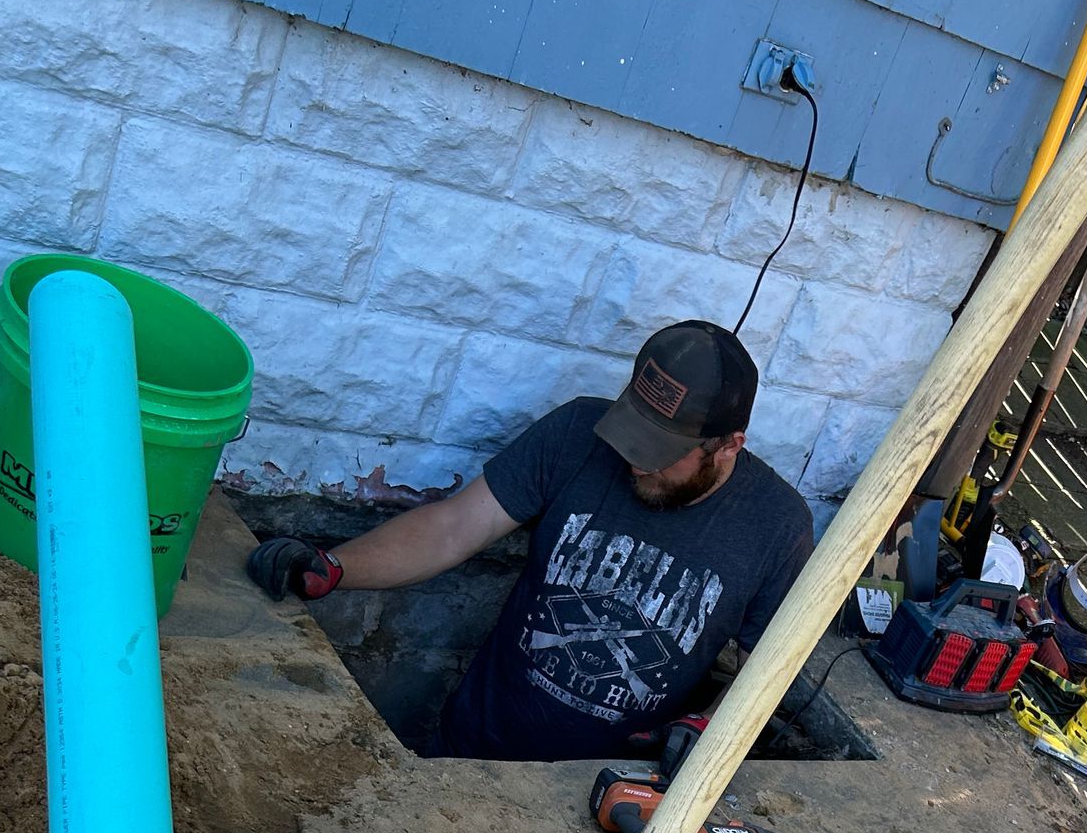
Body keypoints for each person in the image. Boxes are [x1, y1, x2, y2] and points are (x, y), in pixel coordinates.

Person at [247, 320, 813, 763]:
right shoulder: (575, 435)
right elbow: (452, 528)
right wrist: (335, 567)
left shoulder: (777, 526)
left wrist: (711, 728)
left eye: (659, 451)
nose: (636, 461)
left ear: (729, 445)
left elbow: (769, 668)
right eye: (633, 434)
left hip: (596, 799)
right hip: (470, 750)